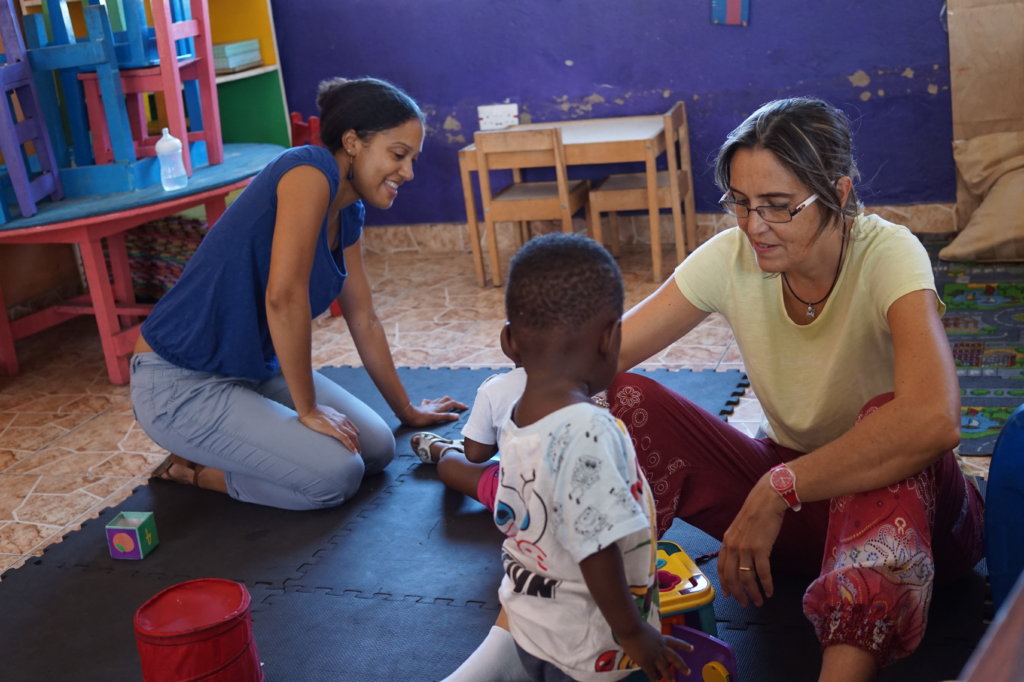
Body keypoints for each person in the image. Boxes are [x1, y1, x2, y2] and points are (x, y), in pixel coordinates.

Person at [610, 97, 984, 681]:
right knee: (623, 397)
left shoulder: (888, 252)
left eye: (779, 207)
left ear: (837, 193)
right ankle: (607, 602)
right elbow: (602, 357)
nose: (755, 226)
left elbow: (935, 420)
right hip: (800, 521)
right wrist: (542, 341)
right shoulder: (732, 257)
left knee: (891, 419)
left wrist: (778, 487)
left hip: (917, 526)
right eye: (741, 203)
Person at [131, 77, 466, 510]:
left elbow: (363, 317)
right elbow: (283, 297)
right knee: (335, 476)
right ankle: (194, 470)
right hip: (180, 384)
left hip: (250, 373)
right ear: (352, 142)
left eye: (412, 159)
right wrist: (307, 410)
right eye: (398, 155)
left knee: (377, 448)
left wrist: (407, 411)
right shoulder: (308, 170)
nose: (408, 172)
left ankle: (249, 439)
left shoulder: (349, 211)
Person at [488, 233, 691, 682]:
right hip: (593, 648)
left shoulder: (517, 417)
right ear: (610, 338)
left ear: (510, 342)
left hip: (530, 625)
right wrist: (633, 632)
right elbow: (595, 545)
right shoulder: (588, 430)